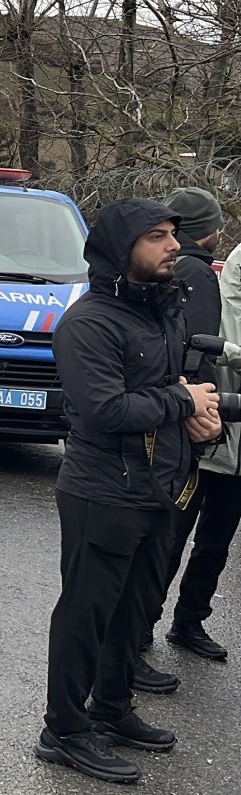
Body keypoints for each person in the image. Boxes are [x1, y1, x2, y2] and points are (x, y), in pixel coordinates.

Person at [36, 198, 223, 785]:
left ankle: (112, 710)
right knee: (87, 613)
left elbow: (170, 387)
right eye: (157, 237)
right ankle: (64, 730)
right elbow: (104, 407)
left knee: (135, 610)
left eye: (173, 234)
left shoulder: (163, 310)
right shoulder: (88, 323)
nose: (173, 246)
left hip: (160, 486)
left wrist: (201, 417)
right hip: (103, 490)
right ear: (122, 250)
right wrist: (181, 403)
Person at [145, 187, 239, 664]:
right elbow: (199, 353)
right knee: (183, 535)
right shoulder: (200, 276)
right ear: (213, 231)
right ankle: (152, 628)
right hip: (211, 430)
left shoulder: (179, 271)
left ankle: (176, 622)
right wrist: (208, 420)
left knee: (206, 536)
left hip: (215, 429)